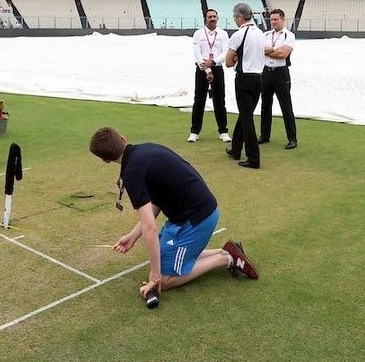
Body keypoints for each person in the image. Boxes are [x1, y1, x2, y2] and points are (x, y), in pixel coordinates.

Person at [89, 126, 259, 301]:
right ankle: (229, 251)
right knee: (161, 259)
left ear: (104, 160)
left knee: (164, 278)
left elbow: (150, 229)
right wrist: (133, 235)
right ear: (123, 138)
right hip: (194, 213)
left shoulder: (132, 173)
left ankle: (226, 258)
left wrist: (155, 279)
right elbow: (156, 203)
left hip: (197, 219)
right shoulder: (146, 150)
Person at [225, 2, 266, 169]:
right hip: (259, 78)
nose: (235, 20)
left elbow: (228, 62)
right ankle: (235, 149)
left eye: (235, 17)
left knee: (247, 118)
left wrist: (236, 58)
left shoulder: (238, 34)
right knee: (245, 114)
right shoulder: (261, 33)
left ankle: (253, 158)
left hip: (244, 79)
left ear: (240, 17)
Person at [188, 8, 230, 144]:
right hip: (202, 70)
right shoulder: (198, 34)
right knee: (199, 101)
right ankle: (194, 132)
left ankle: (223, 131)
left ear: (217, 18)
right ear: (205, 19)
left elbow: (226, 53)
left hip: (217, 68)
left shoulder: (223, 34)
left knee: (219, 101)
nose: (212, 18)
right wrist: (207, 70)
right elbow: (197, 54)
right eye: (209, 16)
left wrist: (213, 63)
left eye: (214, 16)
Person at [260, 9, 298, 150]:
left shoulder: (289, 35)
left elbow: (283, 53)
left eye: (276, 19)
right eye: (271, 20)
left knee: (286, 106)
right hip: (266, 72)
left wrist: (267, 50)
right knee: (265, 105)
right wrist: (272, 50)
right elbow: (259, 50)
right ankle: (264, 135)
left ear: (283, 19)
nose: (273, 22)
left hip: (281, 73)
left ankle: (292, 138)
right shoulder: (265, 34)